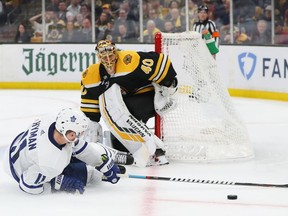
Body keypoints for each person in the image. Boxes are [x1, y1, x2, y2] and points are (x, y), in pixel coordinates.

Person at [80, 40, 178, 167]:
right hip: (125, 107)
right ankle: (145, 145)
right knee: (121, 148)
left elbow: (161, 62)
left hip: (147, 98)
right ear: (98, 57)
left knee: (127, 106)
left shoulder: (130, 60)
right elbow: (91, 112)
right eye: (104, 56)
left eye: (111, 55)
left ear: (116, 52)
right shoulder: (91, 75)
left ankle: (150, 144)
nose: (108, 60)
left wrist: (169, 85)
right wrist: (92, 133)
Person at [2, 108, 122, 195]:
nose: (81, 136)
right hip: (18, 168)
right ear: (69, 133)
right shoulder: (50, 163)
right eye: (78, 133)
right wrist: (56, 183)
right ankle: (94, 169)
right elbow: (28, 185)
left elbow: (77, 145)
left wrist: (101, 162)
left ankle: (104, 155)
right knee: (85, 174)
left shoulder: (52, 120)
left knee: (86, 149)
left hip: (19, 149)